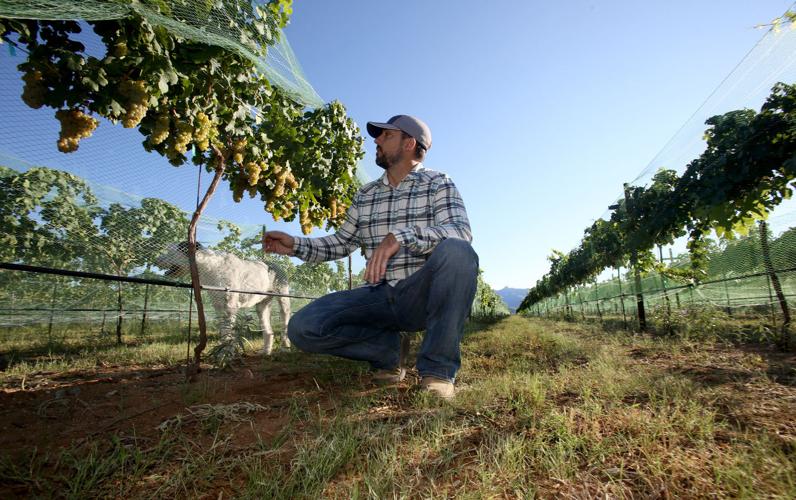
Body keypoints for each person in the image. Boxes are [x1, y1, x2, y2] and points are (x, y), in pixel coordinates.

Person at [262, 115, 478, 399]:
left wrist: (400, 237)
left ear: (409, 143)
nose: (376, 141)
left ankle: (437, 371)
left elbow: (460, 232)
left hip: (419, 294)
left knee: (458, 252)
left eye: (386, 136)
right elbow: (341, 243)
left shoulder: (438, 183)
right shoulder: (366, 195)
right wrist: (295, 245)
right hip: (377, 294)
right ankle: (385, 350)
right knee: (303, 327)